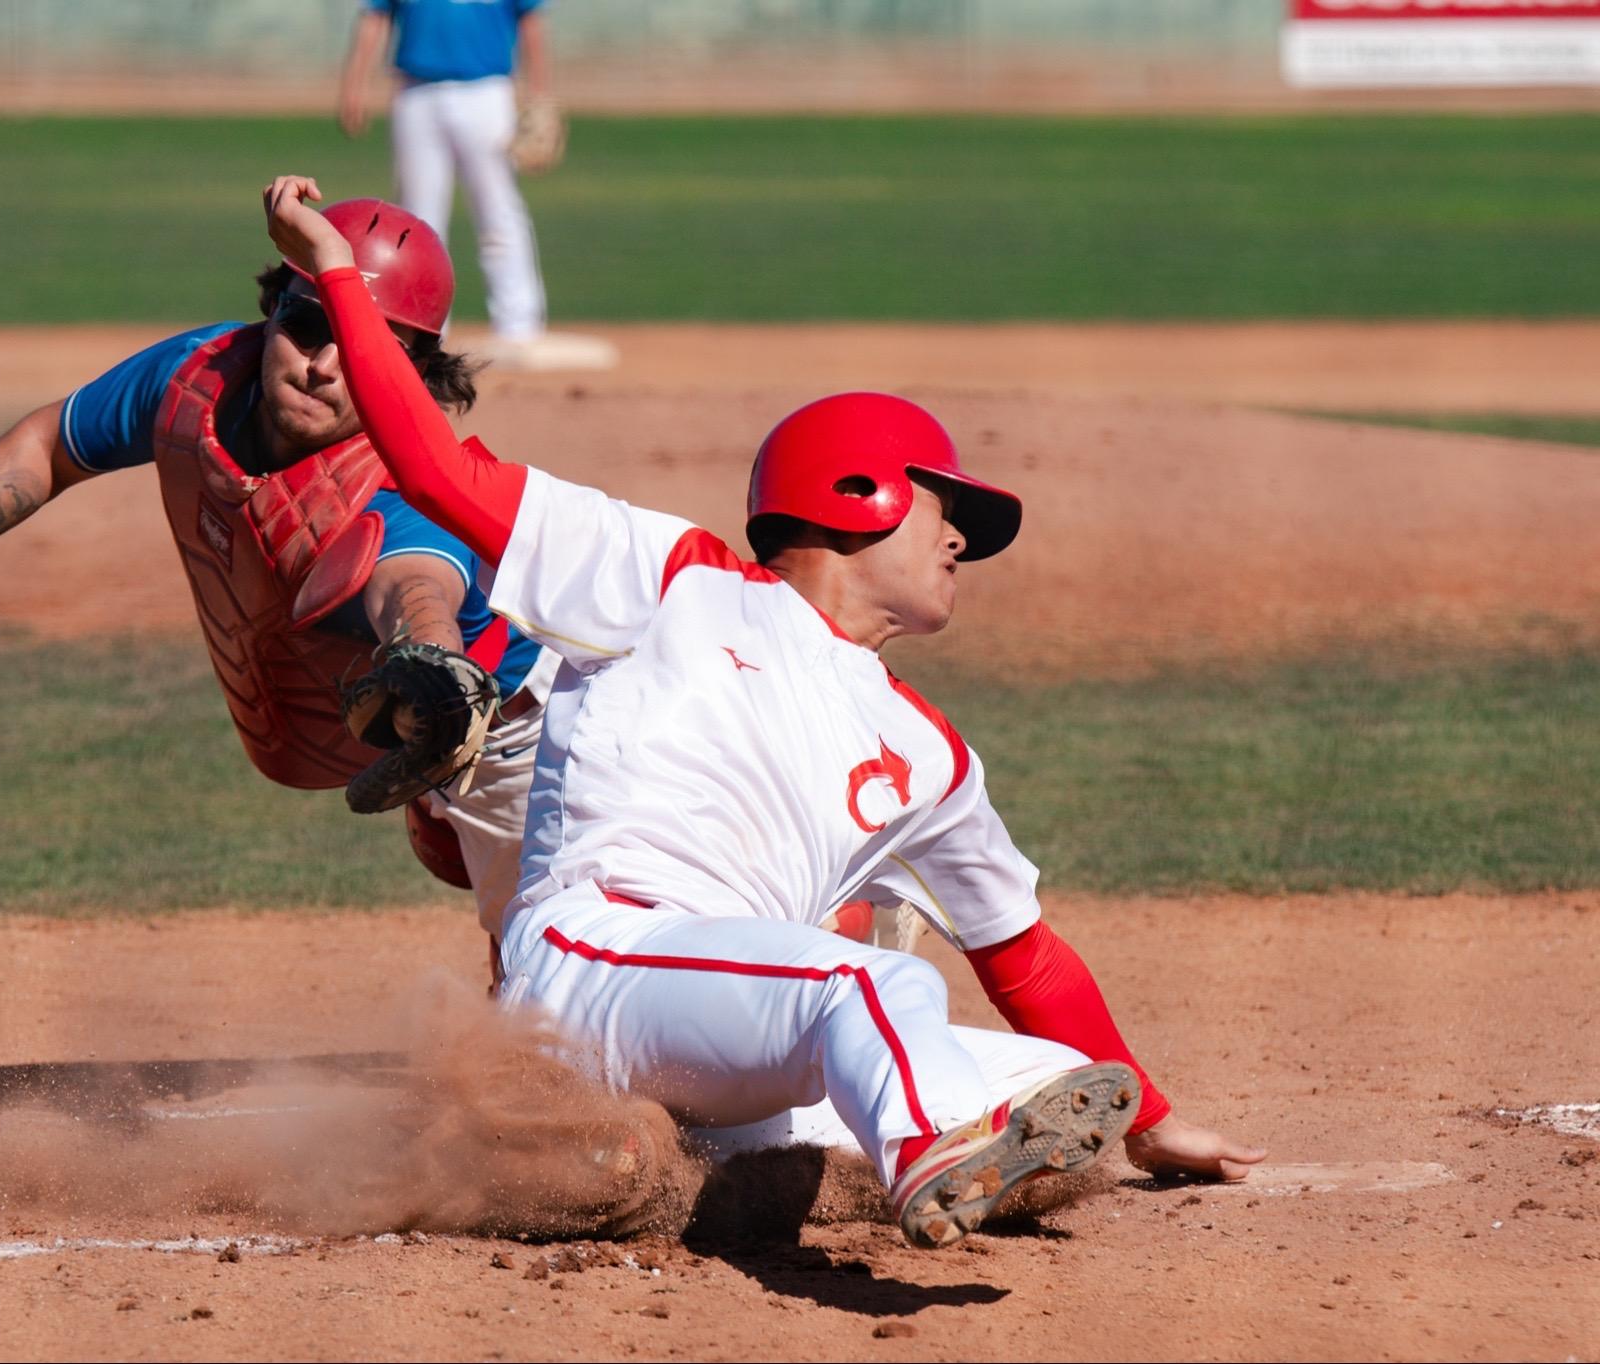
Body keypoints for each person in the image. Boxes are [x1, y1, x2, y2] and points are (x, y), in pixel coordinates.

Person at [264, 174, 1269, 1248]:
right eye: (945, 510)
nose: (958, 543)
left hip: (729, 1031)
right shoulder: (669, 578)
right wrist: (337, 272)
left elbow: (1023, 955)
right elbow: (434, 466)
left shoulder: (929, 752)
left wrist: (1151, 1123)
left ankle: (646, 1164)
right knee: (875, 987)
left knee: (1055, 1083)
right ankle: (908, 1153)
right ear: (859, 492)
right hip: (595, 970)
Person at [0, 198, 553, 929]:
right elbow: (51, 445)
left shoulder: (407, 487)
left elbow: (416, 591)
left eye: (367, 349)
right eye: (307, 326)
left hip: (519, 733)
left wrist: (430, 672)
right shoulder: (200, 379)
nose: (323, 366)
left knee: (548, 971)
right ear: (271, 310)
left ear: (412, 372)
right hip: (407, 731)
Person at [337, 0, 615, 372]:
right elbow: (375, 15)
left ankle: (518, 325)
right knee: (416, 220)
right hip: (415, 92)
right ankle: (420, 329)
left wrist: (540, 94)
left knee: (497, 209)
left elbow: (531, 20)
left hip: (486, 92)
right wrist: (354, 84)